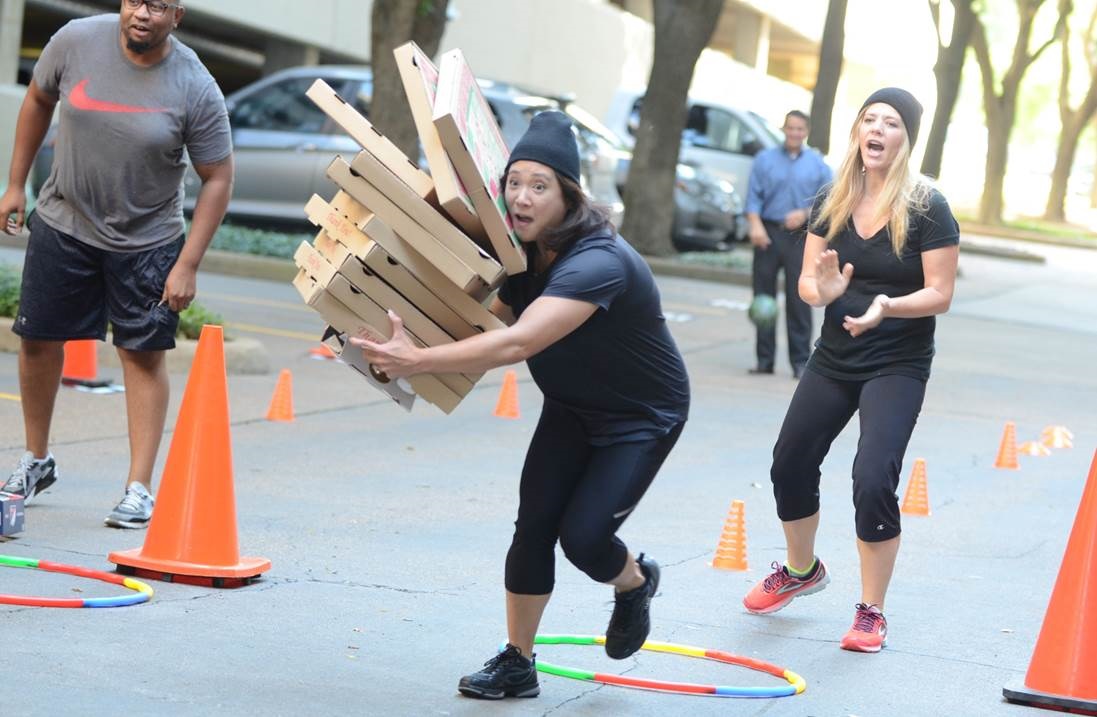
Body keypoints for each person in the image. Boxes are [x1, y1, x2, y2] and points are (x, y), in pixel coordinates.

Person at [353, 111, 690, 699]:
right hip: (570, 406)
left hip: (641, 417)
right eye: (514, 182)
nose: (522, 197)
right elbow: (486, 326)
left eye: (540, 186)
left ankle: (634, 583)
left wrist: (416, 362)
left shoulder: (597, 261)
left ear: (569, 195)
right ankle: (518, 661)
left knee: (584, 539)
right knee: (532, 526)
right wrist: (406, 346)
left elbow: (517, 342)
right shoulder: (520, 257)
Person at [741, 88, 959, 653]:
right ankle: (801, 569)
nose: (878, 129)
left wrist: (887, 306)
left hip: (897, 362)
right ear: (857, 132)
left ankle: (871, 612)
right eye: (870, 120)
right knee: (789, 462)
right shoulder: (831, 198)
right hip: (836, 358)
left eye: (891, 123)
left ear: (906, 139)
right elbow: (809, 283)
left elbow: (939, 293)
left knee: (872, 477)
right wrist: (826, 290)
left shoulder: (928, 207)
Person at [0, 0, 233, 528]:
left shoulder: (195, 86)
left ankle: (138, 486)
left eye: (158, 5)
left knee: (141, 354)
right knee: (37, 340)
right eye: (134, 1)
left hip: (147, 239)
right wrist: (16, 184)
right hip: (64, 221)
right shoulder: (75, 42)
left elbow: (218, 176)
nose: (142, 14)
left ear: (178, 16)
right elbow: (38, 98)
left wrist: (188, 263)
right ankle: (36, 460)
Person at [744, 110, 832, 379]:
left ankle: (801, 362)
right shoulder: (764, 160)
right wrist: (755, 225)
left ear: (805, 132)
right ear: (783, 129)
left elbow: (829, 201)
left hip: (801, 239)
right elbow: (752, 197)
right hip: (768, 234)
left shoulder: (818, 165)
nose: (794, 133)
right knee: (763, 299)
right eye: (790, 128)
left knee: (799, 299)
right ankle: (764, 360)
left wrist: (805, 214)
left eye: (799, 129)